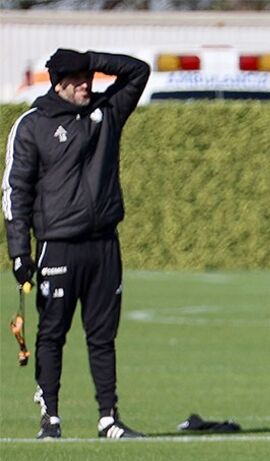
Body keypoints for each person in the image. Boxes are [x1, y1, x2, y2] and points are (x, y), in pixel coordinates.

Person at [3, 48, 150, 440]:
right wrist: (19, 252)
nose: (87, 84)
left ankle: (108, 418)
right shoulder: (32, 125)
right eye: (78, 78)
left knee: (103, 335)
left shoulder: (108, 112)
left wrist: (90, 58)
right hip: (58, 246)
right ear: (59, 83)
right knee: (52, 333)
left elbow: (139, 72)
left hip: (104, 245)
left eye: (89, 76)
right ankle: (50, 416)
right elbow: (15, 191)